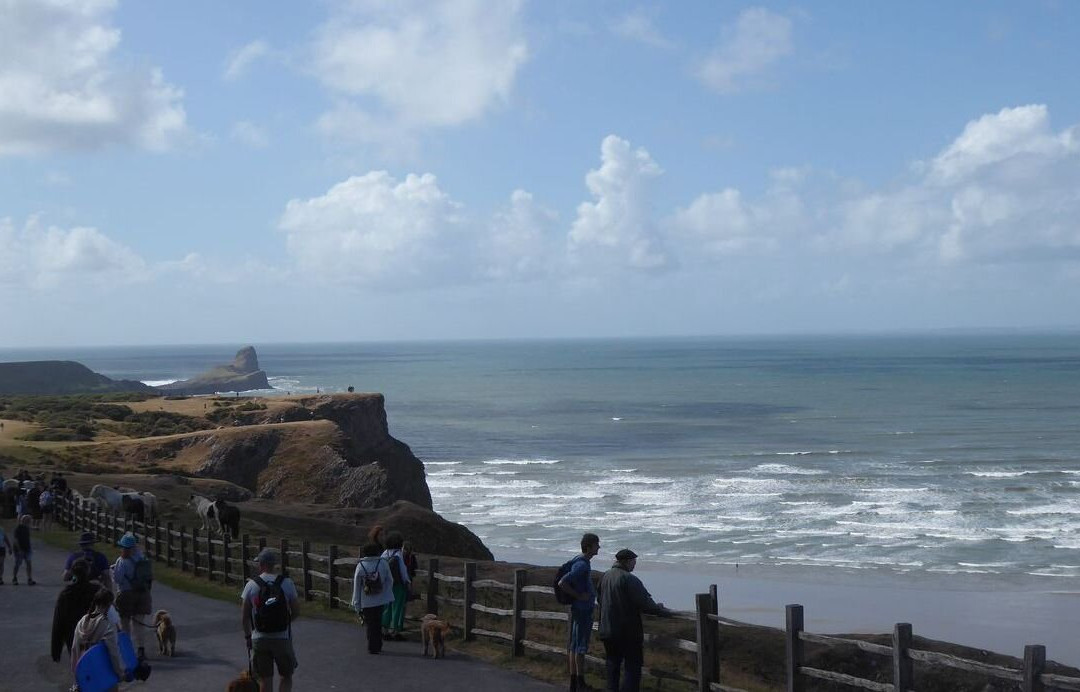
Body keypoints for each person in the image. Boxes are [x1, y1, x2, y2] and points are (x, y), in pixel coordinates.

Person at [598, 549, 675, 692]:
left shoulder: (605, 576)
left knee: (612, 665)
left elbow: (600, 599)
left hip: (607, 629)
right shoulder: (629, 579)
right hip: (627, 632)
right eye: (634, 561)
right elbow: (645, 603)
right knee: (632, 667)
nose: (635, 564)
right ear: (627, 561)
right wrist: (661, 611)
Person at [241, 548, 300, 692]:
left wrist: (248, 637)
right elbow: (296, 611)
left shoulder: (251, 585)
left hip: (259, 638)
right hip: (282, 638)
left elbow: (245, 616)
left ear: (261, 564)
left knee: (265, 679)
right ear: (274, 565)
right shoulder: (286, 583)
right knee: (286, 676)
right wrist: (284, 622)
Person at [559, 532, 600, 692]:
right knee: (580, 647)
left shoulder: (580, 561)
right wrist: (579, 596)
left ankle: (574, 683)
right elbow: (563, 582)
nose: (599, 547)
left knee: (575, 646)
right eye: (596, 545)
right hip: (582, 610)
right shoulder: (582, 564)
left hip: (580, 609)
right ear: (588, 547)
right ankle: (580, 682)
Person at [73, 588, 125, 688]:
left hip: (85, 671)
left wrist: (77, 676)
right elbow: (114, 652)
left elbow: (75, 648)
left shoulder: (82, 622)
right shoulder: (108, 625)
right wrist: (120, 672)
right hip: (103, 671)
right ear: (109, 605)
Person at [51, 558, 98, 666]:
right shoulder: (97, 591)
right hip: (95, 634)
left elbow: (58, 622)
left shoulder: (65, 594)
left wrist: (56, 650)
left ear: (73, 573)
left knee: (79, 667)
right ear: (88, 571)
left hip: (73, 636)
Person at [112, 533, 152, 660]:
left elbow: (118, 579)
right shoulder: (142, 558)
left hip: (126, 594)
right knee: (139, 623)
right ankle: (141, 649)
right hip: (142, 594)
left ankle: (128, 650)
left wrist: (113, 571)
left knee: (125, 623)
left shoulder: (122, 561)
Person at [350, 542, 394, 654]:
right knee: (378, 622)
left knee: (370, 624)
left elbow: (357, 586)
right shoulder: (383, 563)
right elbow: (390, 580)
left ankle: (372, 645)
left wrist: (356, 603)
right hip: (380, 599)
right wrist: (386, 593)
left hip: (366, 600)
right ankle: (378, 645)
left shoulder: (361, 565)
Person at [380, 531, 411, 640]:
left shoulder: (385, 553)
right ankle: (394, 630)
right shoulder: (398, 555)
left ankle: (384, 630)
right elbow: (403, 571)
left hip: (386, 584)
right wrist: (407, 582)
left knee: (386, 606)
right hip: (397, 585)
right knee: (397, 607)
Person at [12, 514, 35, 585]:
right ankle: (14, 578)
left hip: (27, 549)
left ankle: (29, 579)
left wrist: (30, 547)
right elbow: (15, 540)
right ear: (23, 521)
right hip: (19, 549)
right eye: (28, 521)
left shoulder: (27, 528)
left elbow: (27, 539)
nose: (29, 522)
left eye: (29, 521)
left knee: (29, 563)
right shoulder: (18, 528)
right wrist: (19, 549)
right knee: (17, 564)